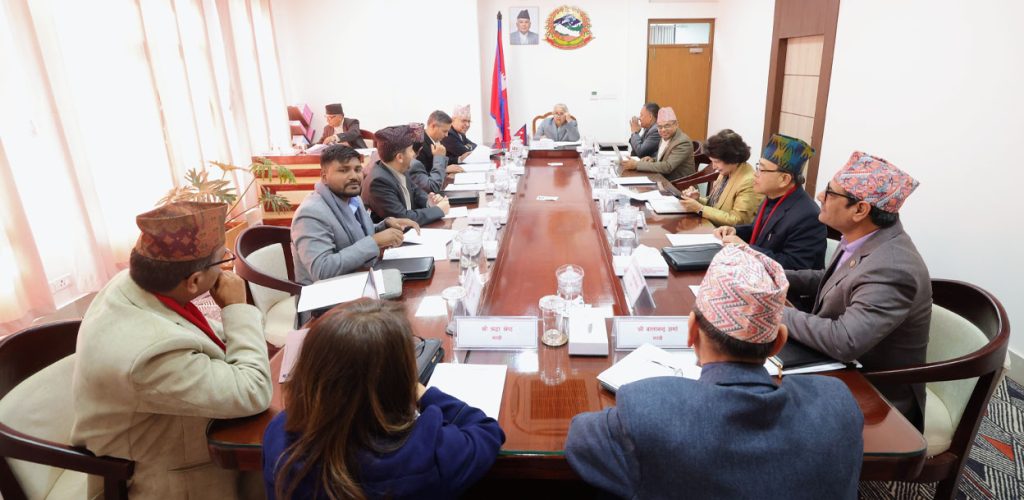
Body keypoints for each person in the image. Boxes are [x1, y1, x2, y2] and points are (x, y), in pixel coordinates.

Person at [565, 245, 863, 499]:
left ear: (691, 330)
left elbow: (579, 438)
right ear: (779, 342)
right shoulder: (838, 404)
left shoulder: (648, 408)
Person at [71, 201, 272, 499]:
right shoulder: (149, 354)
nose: (226, 268)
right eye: (223, 260)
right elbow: (254, 391)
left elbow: (203, 335)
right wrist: (237, 308)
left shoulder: (133, 282)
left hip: (178, 427)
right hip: (162, 478)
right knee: (287, 459)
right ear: (194, 281)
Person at [262, 299, 505, 500]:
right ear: (399, 380)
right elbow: (486, 431)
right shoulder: (427, 452)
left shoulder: (278, 438)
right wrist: (423, 393)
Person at [784, 151, 930, 428]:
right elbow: (833, 279)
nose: (819, 196)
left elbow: (844, 341)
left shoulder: (893, 267)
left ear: (860, 210)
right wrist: (775, 275)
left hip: (875, 394)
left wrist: (773, 311)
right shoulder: (864, 235)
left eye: (830, 193)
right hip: (836, 365)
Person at [291, 145, 421, 285]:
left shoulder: (353, 198)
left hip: (361, 279)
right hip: (328, 294)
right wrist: (375, 241)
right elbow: (322, 270)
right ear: (324, 176)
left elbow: (355, 234)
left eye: (357, 170)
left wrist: (384, 225)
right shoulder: (310, 213)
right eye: (343, 170)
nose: (354, 176)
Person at [713, 133, 826, 271]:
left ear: (784, 179)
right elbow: (760, 232)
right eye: (758, 167)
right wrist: (735, 231)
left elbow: (795, 266)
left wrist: (746, 249)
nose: (755, 174)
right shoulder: (772, 196)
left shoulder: (807, 216)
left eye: (762, 169)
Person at [363, 124, 450, 225]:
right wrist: (438, 210)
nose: (414, 154)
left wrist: (430, 202)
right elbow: (403, 218)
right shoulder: (378, 182)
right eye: (411, 150)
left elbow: (416, 193)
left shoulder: (399, 168)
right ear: (399, 157)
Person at [679, 129, 764, 226]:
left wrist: (700, 208)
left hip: (727, 233)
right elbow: (714, 205)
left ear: (731, 158)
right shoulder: (727, 171)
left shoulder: (748, 181)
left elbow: (738, 221)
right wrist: (697, 199)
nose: (714, 167)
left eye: (716, 162)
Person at [620, 107, 695, 182]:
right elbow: (665, 158)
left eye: (667, 126)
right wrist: (653, 159)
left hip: (680, 185)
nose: (663, 130)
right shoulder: (665, 136)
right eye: (660, 127)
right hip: (663, 180)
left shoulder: (682, 142)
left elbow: (667, 167)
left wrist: (636, 165)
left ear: (676, 124)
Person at [411, 112, 464, 193]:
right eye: (444, 131)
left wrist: (458, 159)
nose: (446, 135)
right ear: (433, 126)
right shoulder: (420, 145)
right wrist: (444, 169)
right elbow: (421, 175)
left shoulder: (437, 140)